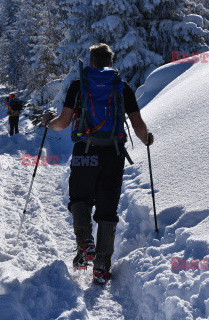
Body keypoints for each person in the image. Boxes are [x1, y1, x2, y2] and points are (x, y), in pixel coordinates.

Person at [42, 43, 154, 285]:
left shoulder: (78, 86)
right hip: (112, 153)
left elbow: (62, 123)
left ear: (91, 62)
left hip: (85, 150)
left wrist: (48, 123)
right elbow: (138, 126)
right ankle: (102, 267)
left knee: (80, 199)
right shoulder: (121, 87)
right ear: (111, 63)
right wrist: (147, 138)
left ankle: (85, 242)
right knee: (107, 209)